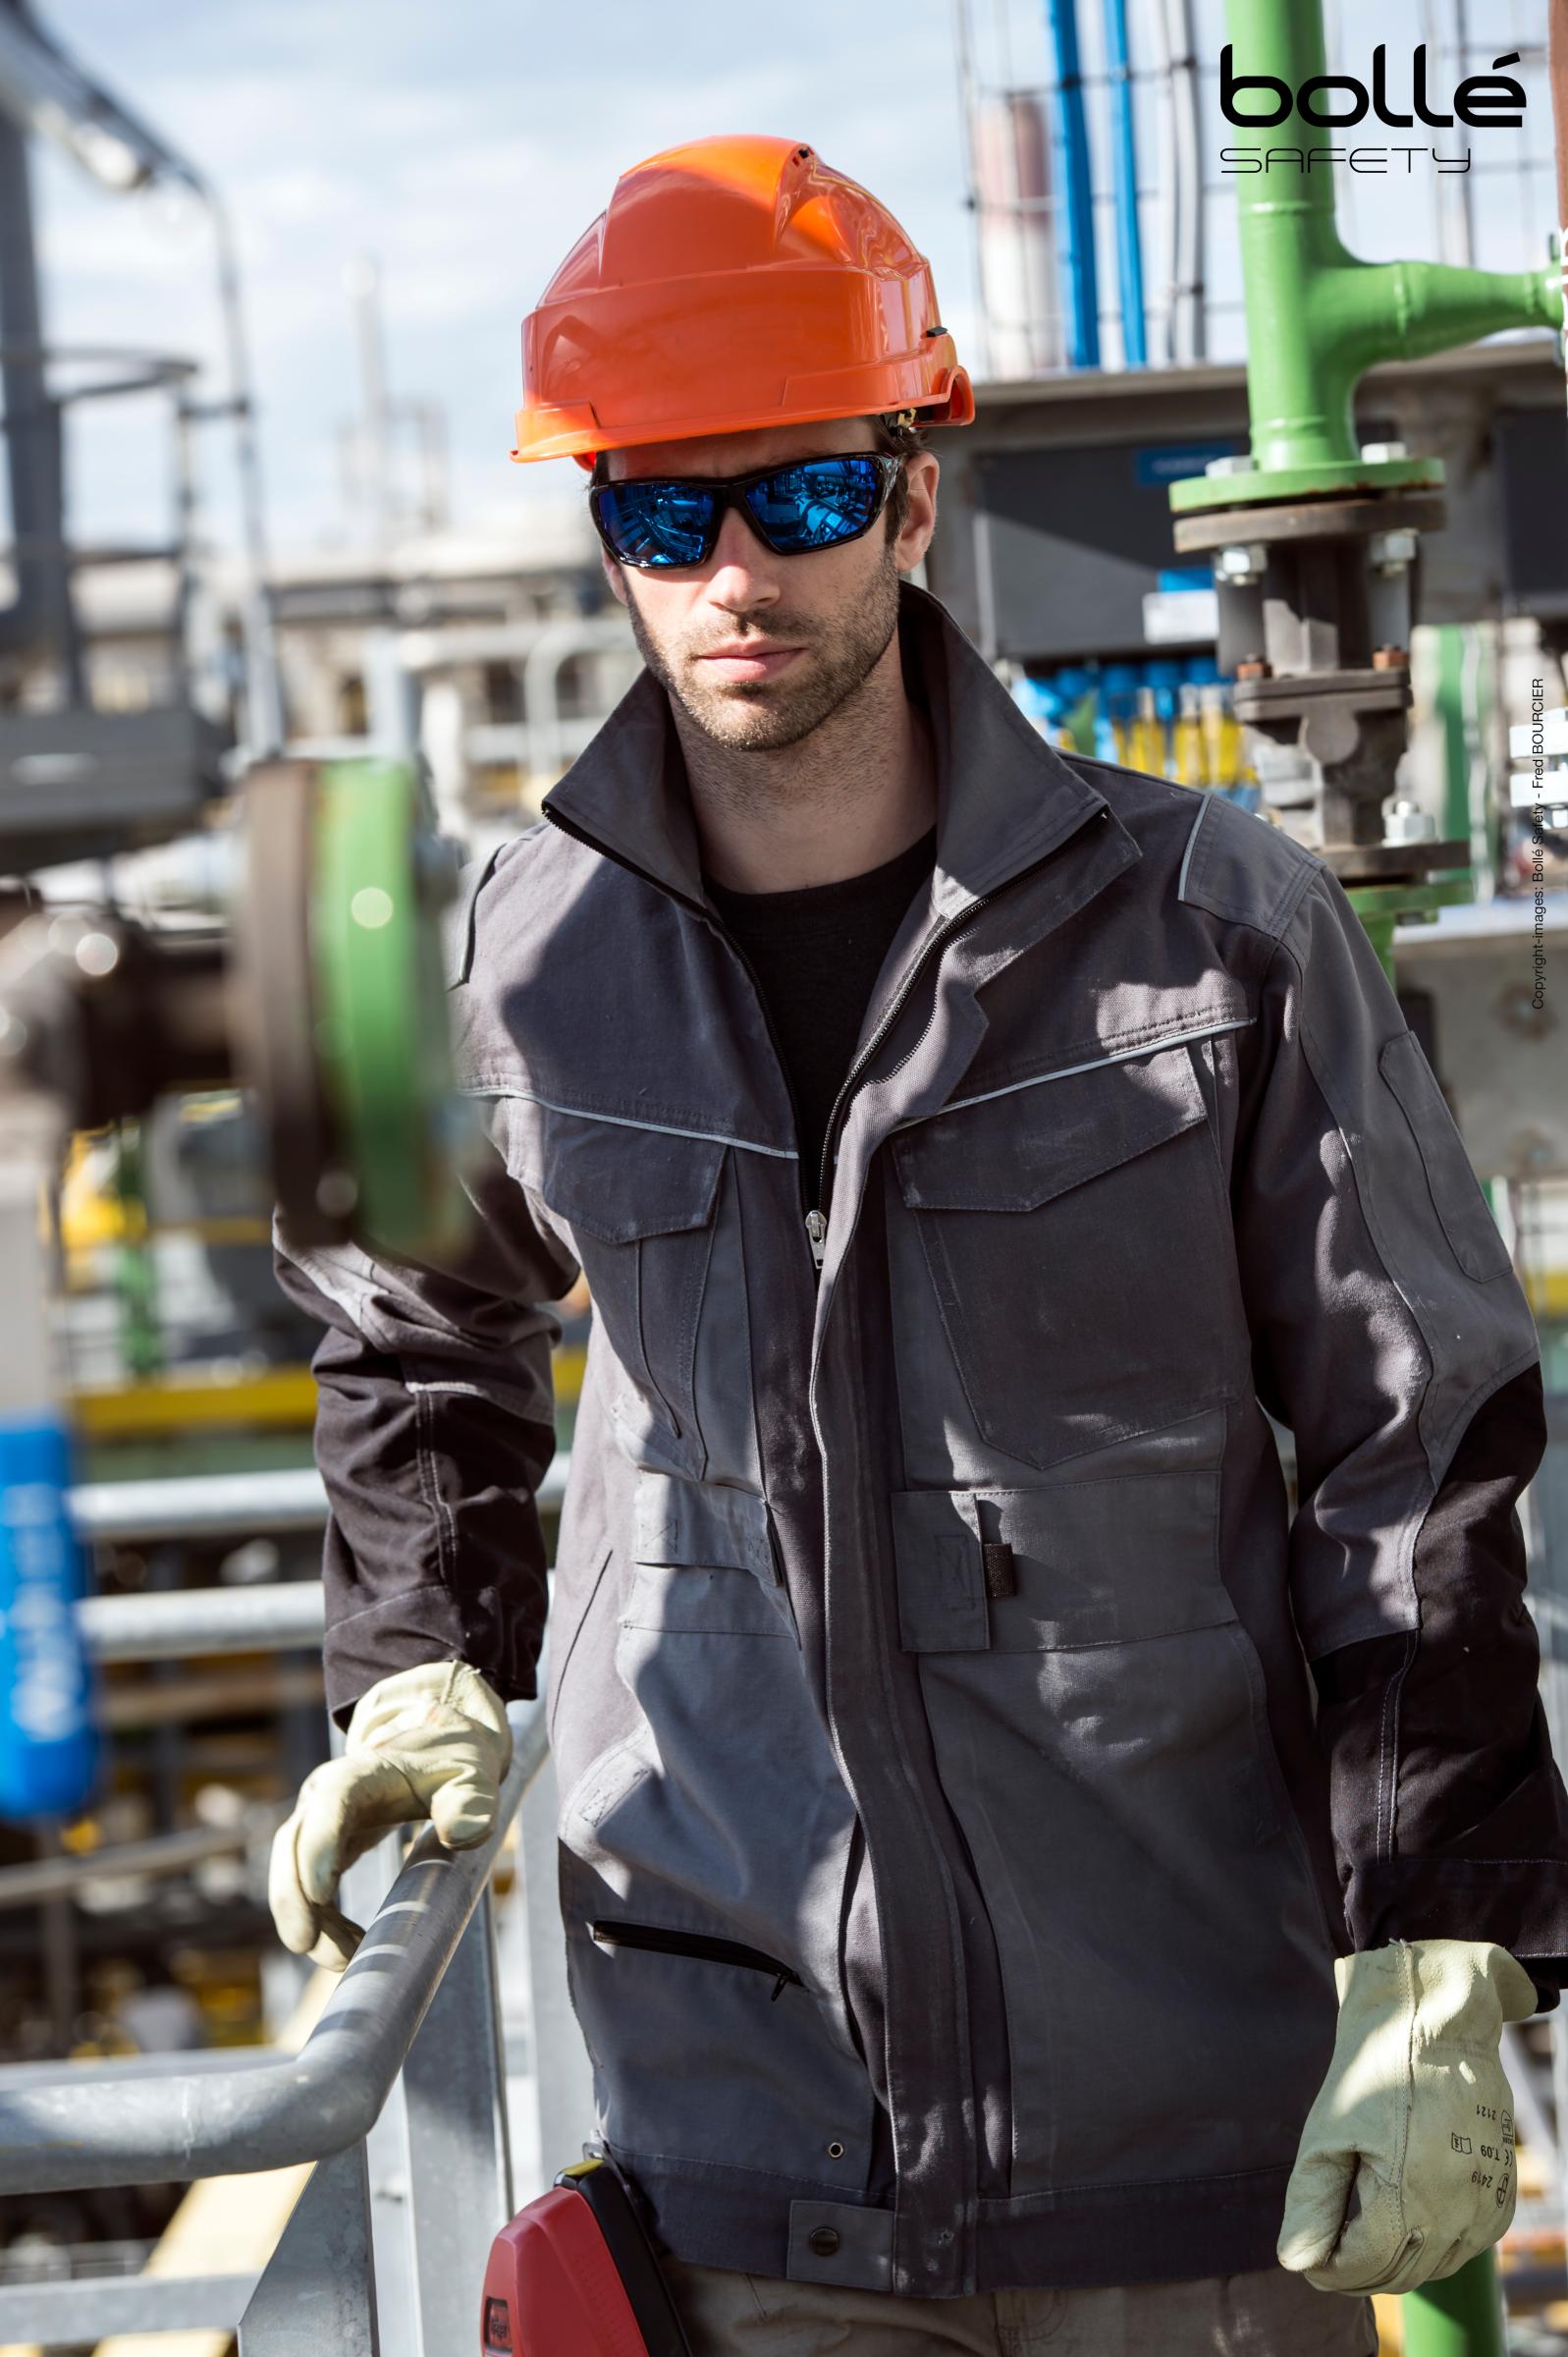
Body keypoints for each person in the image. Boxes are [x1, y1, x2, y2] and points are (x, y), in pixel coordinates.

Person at [267, 137, 1568, 2356]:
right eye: (662, 514)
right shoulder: (518, 962)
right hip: (747, 2118)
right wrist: (419, 1661)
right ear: (607, 537)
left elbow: (1411, 1439)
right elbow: (410, 1336)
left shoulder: (1210, 925)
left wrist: (1436, 1930)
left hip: (1187, 2113)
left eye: (797, 493)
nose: (733, 570)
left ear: (912, 498)